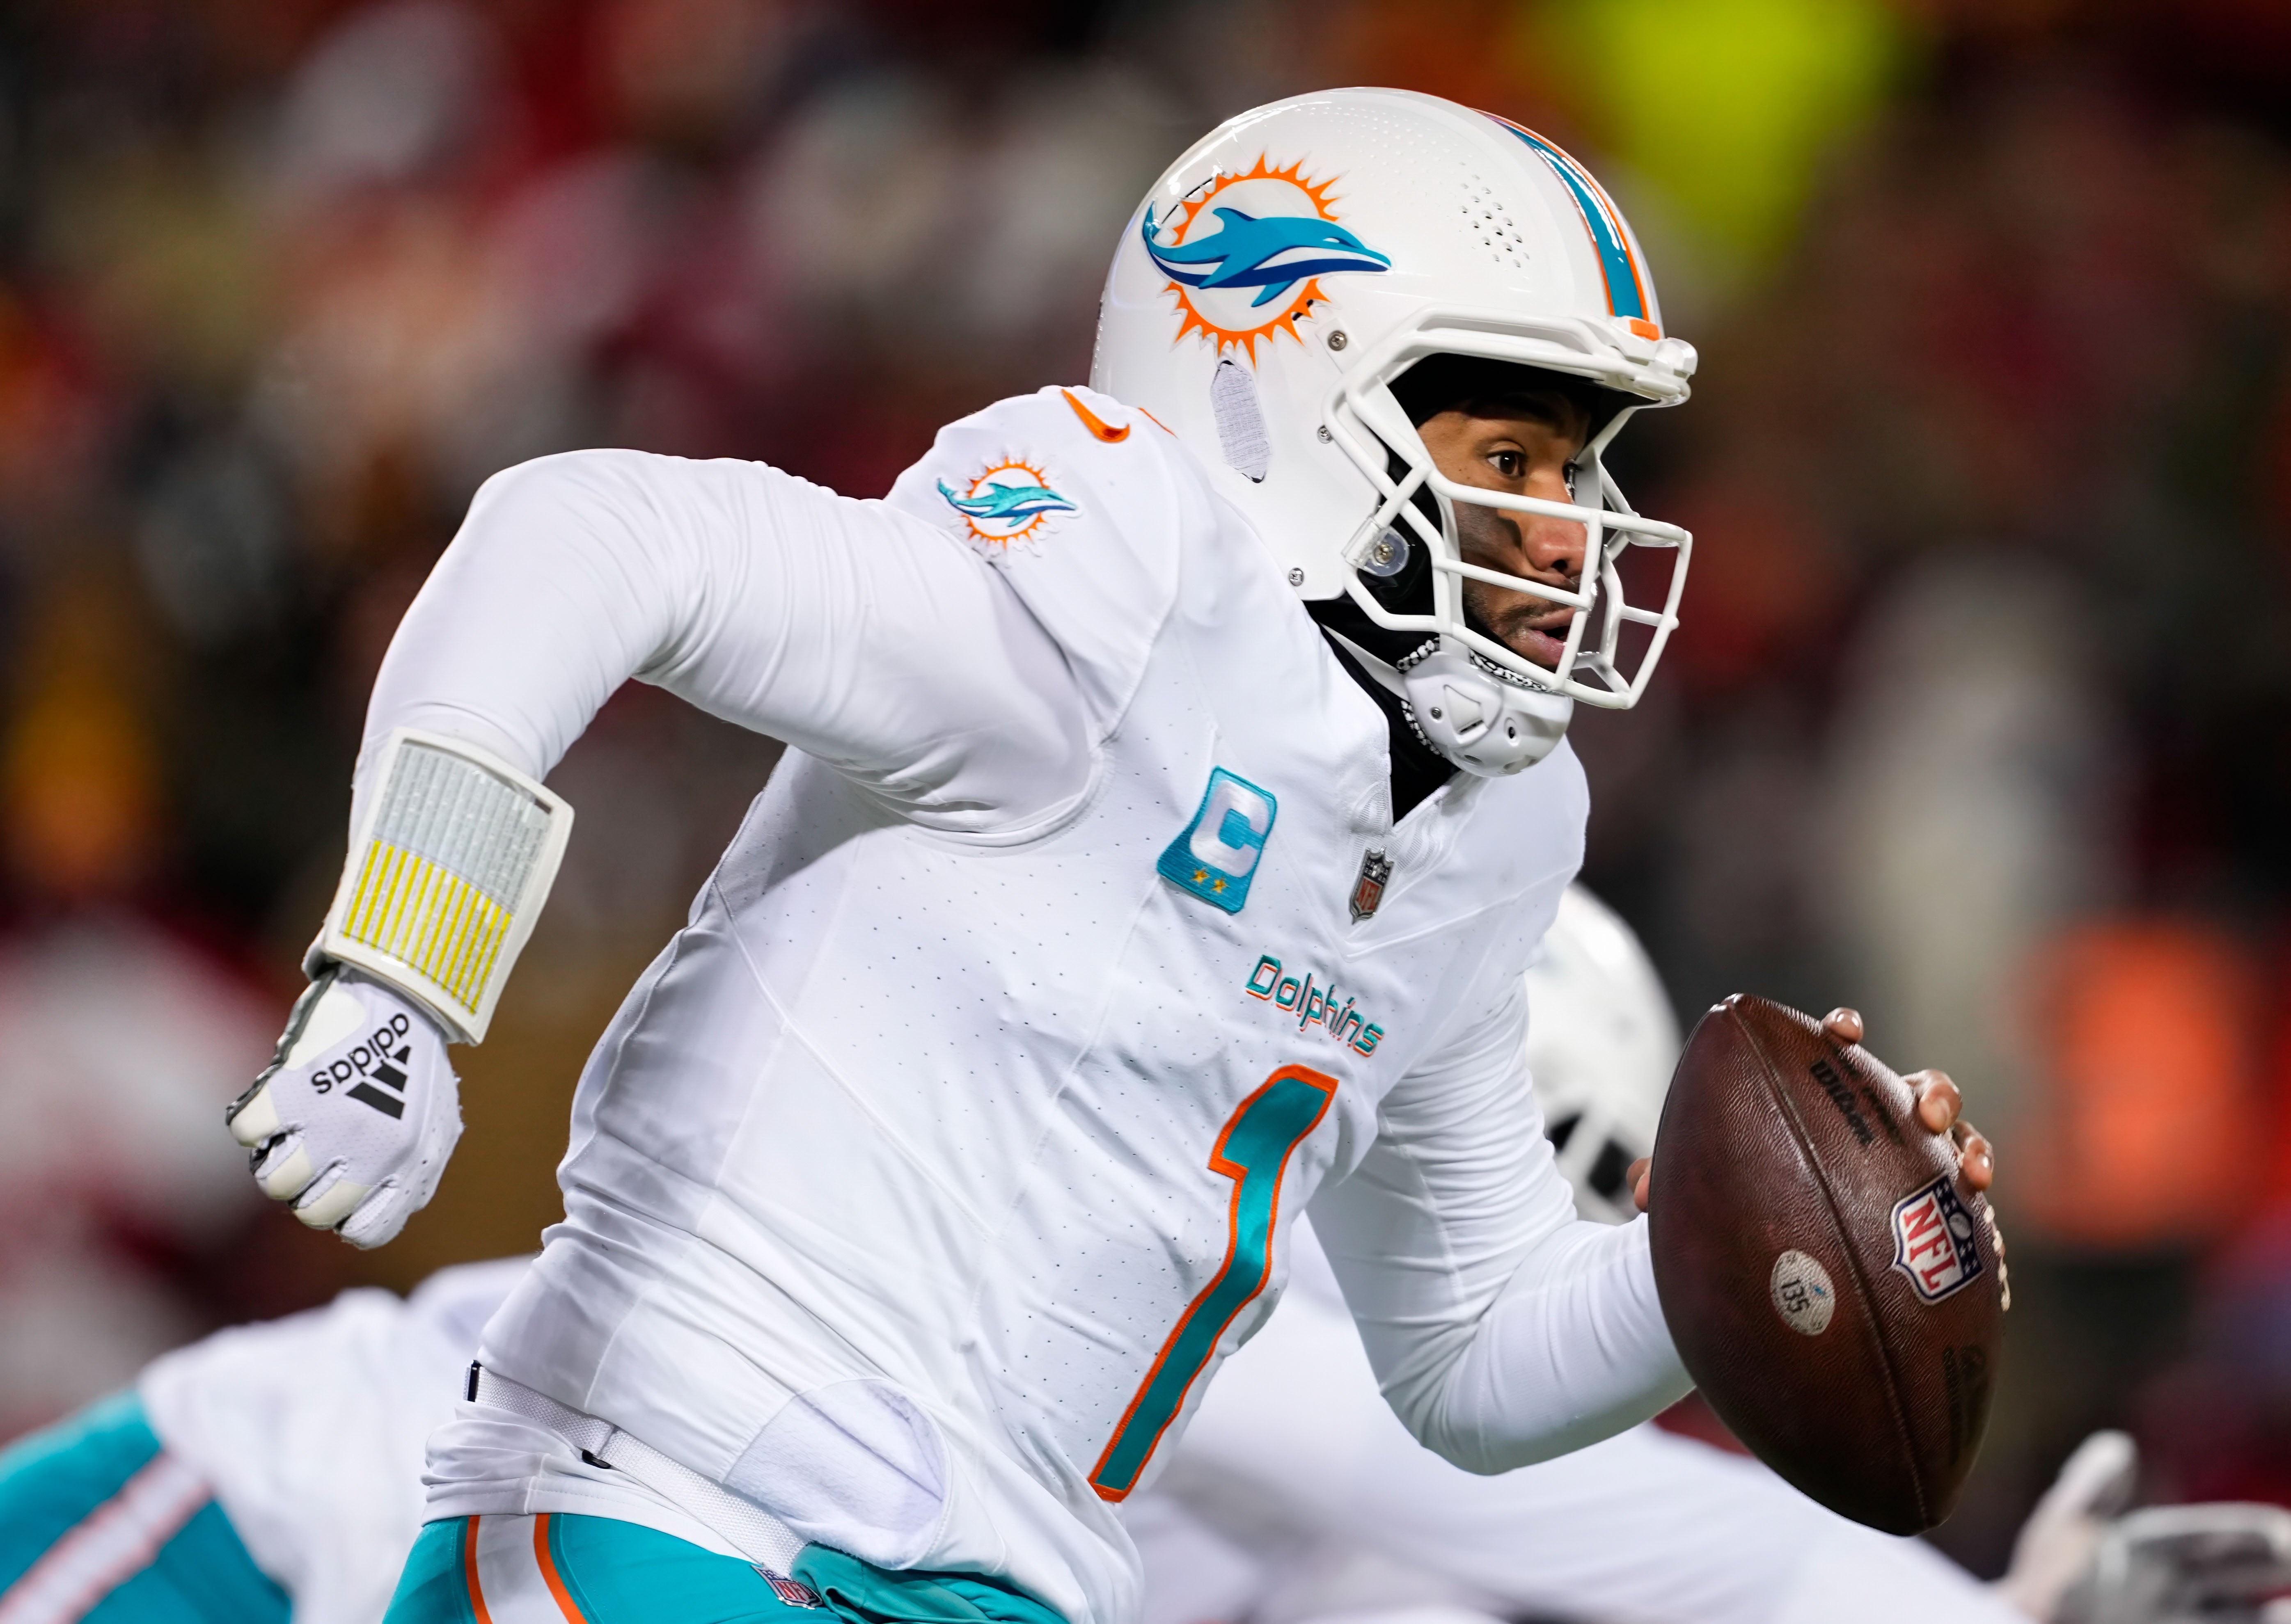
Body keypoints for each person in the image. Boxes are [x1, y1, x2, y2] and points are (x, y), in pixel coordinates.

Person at [217, 89, 1990, 1624]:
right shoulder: (1118, 586)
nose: (1567, 533)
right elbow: (587, 529)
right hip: (676, 1511)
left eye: (1582, 470)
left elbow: (1469, 1359)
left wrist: (1760, 1255)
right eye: (1512, 454)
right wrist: (402, 962)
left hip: (1001, 1588)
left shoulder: (1495, 827)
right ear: (1290, 398)